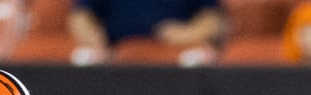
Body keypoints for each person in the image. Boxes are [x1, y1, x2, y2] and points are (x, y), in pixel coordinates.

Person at [67, 0, 224, 61]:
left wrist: (189, 33)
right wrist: (94, 38)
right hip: (115, 60)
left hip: (177, 60)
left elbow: (213, 19)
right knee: (82, 58)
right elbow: (80, 16)